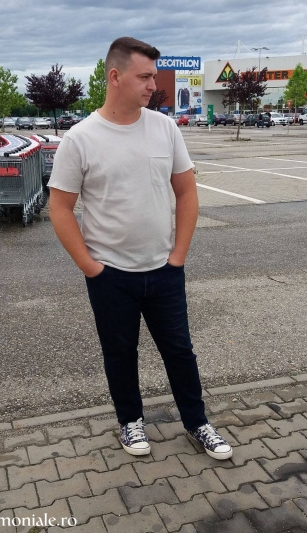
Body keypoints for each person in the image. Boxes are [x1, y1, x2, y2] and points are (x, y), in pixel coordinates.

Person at [48, 36, 232, 461]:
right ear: (115, 77)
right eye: (145, 76)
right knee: (119, 353)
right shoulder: (81, 138)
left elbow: (186, 192)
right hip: (110, 274)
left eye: (155, 76)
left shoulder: (165, 129)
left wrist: (178, 256)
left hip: (163, 270)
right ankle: (130, 421)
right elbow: (59, 207)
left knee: (180, 351)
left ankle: (197, 422)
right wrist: (90, 267)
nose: (153, 85)